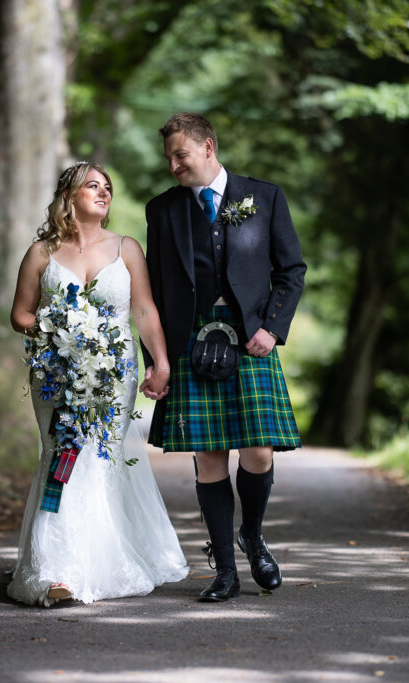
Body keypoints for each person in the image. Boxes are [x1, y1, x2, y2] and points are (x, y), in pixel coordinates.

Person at [141, 113, 307, 602]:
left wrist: (273, 329)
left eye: (181, 155)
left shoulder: (265, 196)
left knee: (258, 452)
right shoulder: (163, 210)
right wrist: (161, 357)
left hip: (251, 336)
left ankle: (252, 535)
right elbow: (155, 287)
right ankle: (225, 570)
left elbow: (291, 270)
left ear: (208, 147)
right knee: (209, 457)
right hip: (192, 338)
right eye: (168, 158)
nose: (173, 165)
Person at [7, 161, 188, 607]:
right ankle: (55, 570)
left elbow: (144, 312)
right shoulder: (41, 252)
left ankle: (89, 564)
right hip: (55, 369)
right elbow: (20, 315)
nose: (104, 192)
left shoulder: (126, 248)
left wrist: (159, 363)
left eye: (108, 186)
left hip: (114, 372)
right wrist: (60, 326)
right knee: (61, 451)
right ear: (69, 196)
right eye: (93, 185)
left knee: (99, 456)